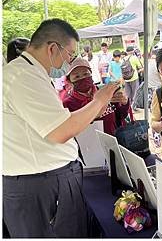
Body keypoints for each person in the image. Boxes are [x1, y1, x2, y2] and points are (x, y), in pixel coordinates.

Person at [3, 19, 119, 237]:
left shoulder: (30, 73)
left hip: (46, 179)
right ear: (53, 48)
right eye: (70, 53)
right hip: (41, 184)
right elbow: (61, 130)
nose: (69, 60)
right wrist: (99, 100)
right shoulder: (22, 77)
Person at [62, 57, 132, 135]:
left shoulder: (105, 91)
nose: (83, 78)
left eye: (86, 74)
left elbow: (121, 115)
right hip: (89, 145)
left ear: (91, 74)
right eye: (77, 77)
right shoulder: (68, 104)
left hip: (114, 141)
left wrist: (124, 103)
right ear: (69, 81)